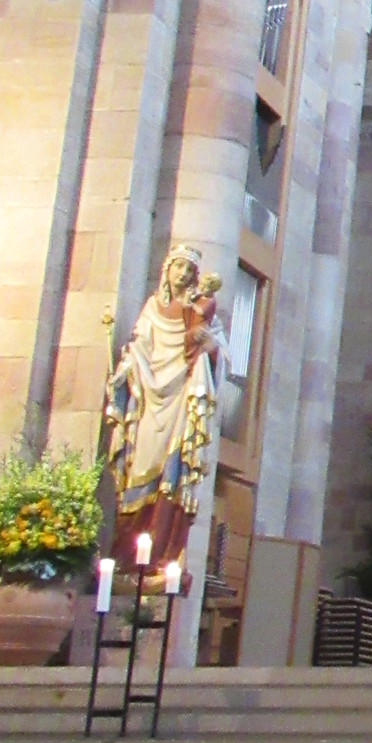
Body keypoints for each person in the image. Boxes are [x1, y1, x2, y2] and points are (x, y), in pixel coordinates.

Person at [105, 243, 228, 572]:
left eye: (189, 270)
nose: (183, 274)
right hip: (150, 395)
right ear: (167, 270)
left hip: (180, 398)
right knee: (139, 467)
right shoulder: (151, 309)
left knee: (173, 473)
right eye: (178, 266)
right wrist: (129, 362)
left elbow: (218, 357)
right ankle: (126, 556)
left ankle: (162, 555)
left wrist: (209, 349)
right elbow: (140, 345)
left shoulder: (201, 311)